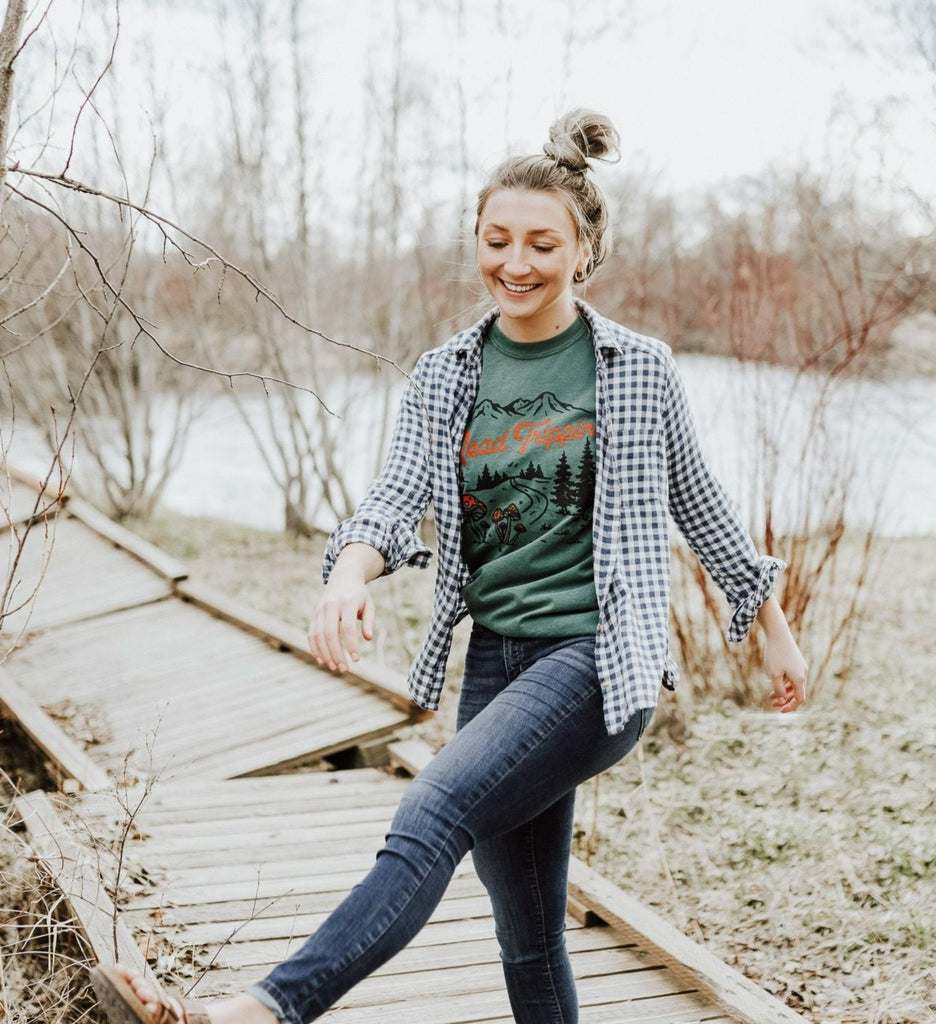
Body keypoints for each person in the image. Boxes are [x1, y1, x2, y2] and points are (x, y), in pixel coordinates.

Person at [91, 108, 807, 1024]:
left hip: (595, 660)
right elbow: (393, 499)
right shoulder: (446, 373)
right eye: (496, 239)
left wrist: (773, 636)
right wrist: (348, 575)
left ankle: (258, 1013)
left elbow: (702, 508)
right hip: (497, 663)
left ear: (585, 251)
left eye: (542, 244)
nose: (515, 263)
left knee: (430, 811)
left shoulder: (637, 368)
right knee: (530, 939)